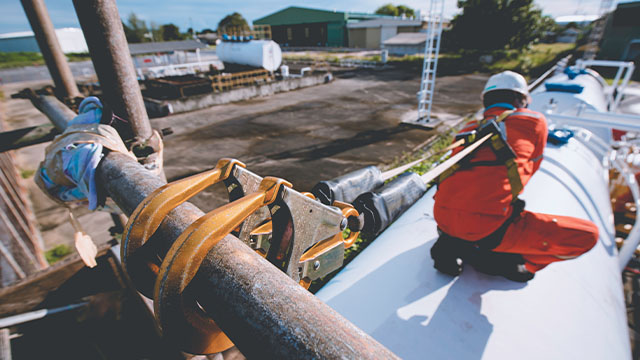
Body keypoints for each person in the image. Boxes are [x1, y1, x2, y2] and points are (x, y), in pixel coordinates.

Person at [430, 70, 598, 282]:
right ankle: (516, 263)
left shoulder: (468, 129)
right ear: (521, 100)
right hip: (489, 228)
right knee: (588, 234)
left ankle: (453, 243)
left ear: (486, 102)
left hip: (442, 219)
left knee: (471, 215)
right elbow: (531, 168)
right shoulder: (534, 120)